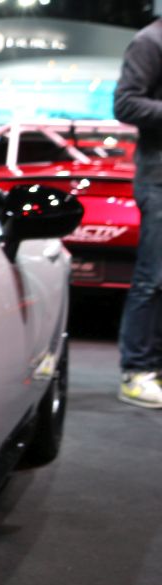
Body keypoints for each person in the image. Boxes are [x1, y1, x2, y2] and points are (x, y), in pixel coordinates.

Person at [113, 20, 162, 408]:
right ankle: (137, 371)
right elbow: (125, 102)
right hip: (158, 179)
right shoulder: (150, 41)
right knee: (153, 278)